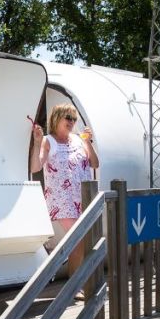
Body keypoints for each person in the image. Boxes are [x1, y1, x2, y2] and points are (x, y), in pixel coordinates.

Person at [30, 103, 100, 288]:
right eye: (68, 117)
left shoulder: (78, 139)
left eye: (74, 118)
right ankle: (75, 286)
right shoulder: (48, 141)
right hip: (62, 200)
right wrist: (37, 143)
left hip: (82, 197)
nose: (72, 122)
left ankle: (80, 282)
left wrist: (87, 142)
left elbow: (95, 163)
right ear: (57, 118)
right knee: (79, 238)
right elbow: (36, 167)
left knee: (81, 239)